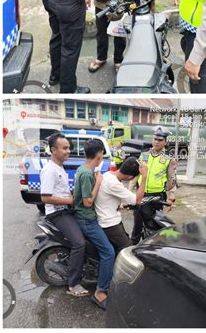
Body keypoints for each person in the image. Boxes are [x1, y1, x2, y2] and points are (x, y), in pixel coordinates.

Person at [39, 133, 89, 297]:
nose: (68, 151)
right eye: (65, 148)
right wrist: (69, 201)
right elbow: (45, 197)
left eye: (69, 147)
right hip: (58, 214)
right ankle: (73, 284)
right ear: (54, 150)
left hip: (66, 210)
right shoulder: (49, 170)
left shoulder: (59, 166)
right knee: (79, 243)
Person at [73, 139, 115, 310]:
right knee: (109, 252)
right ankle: (100, 292)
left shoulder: (82, 169)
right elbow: (88, 202)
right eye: (101, 157)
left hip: (86, 217)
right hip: (86, 219)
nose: (101, 159)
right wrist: (98, 182)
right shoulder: (86, 174)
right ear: (98, 157)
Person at [130, 126, 176, 244]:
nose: (156, 142)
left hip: (157, 198)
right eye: (155, 139)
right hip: (142, 194)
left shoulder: (168, 159)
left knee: (154, 226)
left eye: (160, 140)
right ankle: (132, 248)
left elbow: (172, 180)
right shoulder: (144, 155)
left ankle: (151, 249)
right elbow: (135, 176)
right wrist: (129, 193)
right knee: (137, 226)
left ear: (165, 142)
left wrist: (171, 198)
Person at [95, 156, 148, 253]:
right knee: (127, 251)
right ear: (130, 177)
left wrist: (121, 205)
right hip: (109, 223)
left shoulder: (108, 175)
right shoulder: (114, 183)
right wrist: (144, 177)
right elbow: (138, 200)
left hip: (111, 219)